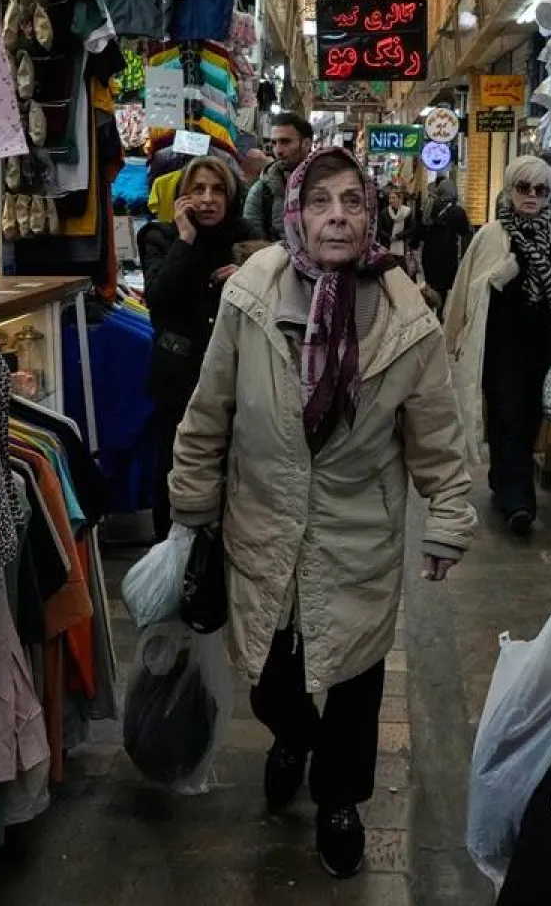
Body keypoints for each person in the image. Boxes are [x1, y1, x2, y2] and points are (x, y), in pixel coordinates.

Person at [168, 147, 477, 879]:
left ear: (371, 214)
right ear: (296, 214)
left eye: (352, 202)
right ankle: (290, 734)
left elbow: (437, 432)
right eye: (320, 202)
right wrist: (193, 501)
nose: (337, 216)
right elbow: (210, 408)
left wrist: (448, 514)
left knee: (355, 679)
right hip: (263, 524)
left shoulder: (407, 317)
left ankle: (340, 800)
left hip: (358, 531)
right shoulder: (251, 295)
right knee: (272, 677)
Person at [445, 155, 551, 536]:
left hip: (543, 347)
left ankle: (504, 477)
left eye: (541, 190)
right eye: (524, 187)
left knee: (528, 418)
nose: (532, 196)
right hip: (500, 345)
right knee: (506, 412)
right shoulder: (491, 236)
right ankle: (520, 500)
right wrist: (499, 275)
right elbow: (467, 289)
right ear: (510, 190)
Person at [139, 155, 255, 542]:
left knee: (231, 479)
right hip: (178, 381)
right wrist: (185, 238)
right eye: (198, 189)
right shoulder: (160, 237)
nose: (207, 199)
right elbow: (158, 296)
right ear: (182, 195)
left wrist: (249, 275)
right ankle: (172, 556)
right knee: (174, 475)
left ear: (231, 196)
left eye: (218, 190)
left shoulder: (247, 239)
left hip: (235, 381)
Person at [244, 113, 314, 243]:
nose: (278, 150)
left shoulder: (328, 183)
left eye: (285, 142)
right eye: (274, 143)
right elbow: (251, 240)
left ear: (306, 144)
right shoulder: (262, 190)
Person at [417, 176, 471, 314]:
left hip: (429, 253)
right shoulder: (457, 211)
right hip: (448, 254)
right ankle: (440, 313)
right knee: (443, 286)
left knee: (430, 283)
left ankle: (429, 310)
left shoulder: (429, 206)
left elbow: (420, 229)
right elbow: (464, 231)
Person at [380, 188, 413, 269]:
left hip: (401, 244)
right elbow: (380, 228)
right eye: (390, 198)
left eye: (393, 198)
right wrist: (389, 237)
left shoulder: (407, 212)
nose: (391, 200)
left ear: (400, 199)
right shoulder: (384, 212)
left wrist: (398, 236)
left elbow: (411, 228)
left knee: (401, 267)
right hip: (387, 244)